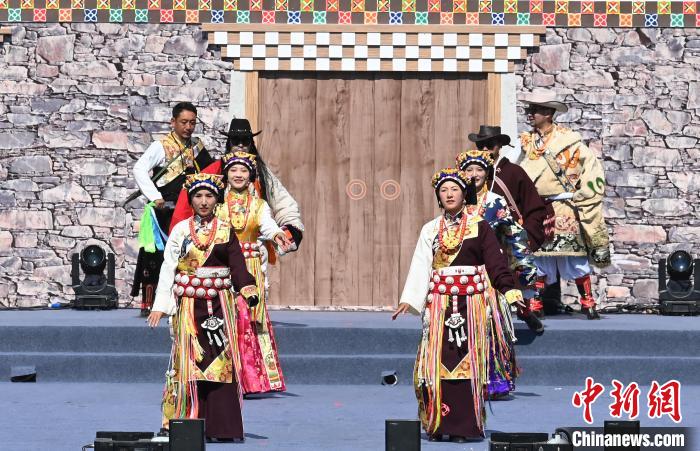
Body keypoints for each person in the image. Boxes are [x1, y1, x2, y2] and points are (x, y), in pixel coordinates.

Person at [393, 168, 525, 442]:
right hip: (440, 306)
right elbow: (421, 266)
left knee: (468, 363)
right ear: (438, 197)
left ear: (465, 194)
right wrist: (410, 298)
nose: (449, 194)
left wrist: (509, 289)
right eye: (444, 190)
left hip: (472, 306)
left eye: (454, 189)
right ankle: (439, 424)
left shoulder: (480, 226)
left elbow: (495, 263)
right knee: (438, 364)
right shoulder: (430, 229)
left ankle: (465, 426)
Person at [147, 173, 258, 442]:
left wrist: (247, 287)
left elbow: (237, 265)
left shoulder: (225, 230)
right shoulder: (181, 230)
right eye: (198, 196)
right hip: (189, 309)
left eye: (209, 196)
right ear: (191, 199)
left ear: (216, 199)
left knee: (221, 363)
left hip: (219, 306)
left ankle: (221, 427)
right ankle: (184, 422)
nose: (204, 201)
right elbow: (168, 267)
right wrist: (160, 305)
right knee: (186, 363)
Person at [519, 91, 611, 320]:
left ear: (549, 114)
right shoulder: (527, 143)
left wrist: (584, 195)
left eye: (535, 110)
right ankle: (536, 303)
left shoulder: (571, 141)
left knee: (574, 256)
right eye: (529, 109)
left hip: (564, 206)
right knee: (538, 255)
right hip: (538, 207)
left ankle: (588, 302)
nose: (530, 114)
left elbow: (592, 171)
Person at [457, 150, 540, 400]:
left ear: (488, 173)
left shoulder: (495, 202)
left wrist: (525, 267)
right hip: (461, 274)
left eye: (479, 170)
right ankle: (463, 378)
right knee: (462, 326)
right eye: (469, 170)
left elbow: (515, 234)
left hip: (491, 273)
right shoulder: (455, 200)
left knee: (492, 326)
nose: (474, 175)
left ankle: (495, 380)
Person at [219, 151, 293, 394]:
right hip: (223, 266)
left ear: (250, 175)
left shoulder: (259, 205)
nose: (238, 175)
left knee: (250, 317)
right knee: (226, 317)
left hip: (250, 267)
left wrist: (277, 234)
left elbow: (268, 225)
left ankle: (253, 379)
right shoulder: (217, 203)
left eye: (243, 171)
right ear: (226, 174)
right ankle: (225, 374)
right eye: (233, 170)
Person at [131, 102, 214, 314]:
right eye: (184, 122)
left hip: (193, 209)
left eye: (192, 122)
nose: (188, 127)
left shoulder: (197, 146)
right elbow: (139, 168)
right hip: (167, 210)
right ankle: (155, 303)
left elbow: (210, 173)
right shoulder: (161, 146)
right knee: (161, 255)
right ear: (173, 122)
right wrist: (155, 196)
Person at [467, 125, 552, 319]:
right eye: (482, 145)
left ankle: (524, 312)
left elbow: (534, 207)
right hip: (478, 238)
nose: (486, 149)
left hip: (507, 239)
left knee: (512, 279)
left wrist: (528, 236)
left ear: (499, 146)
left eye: (490, 145)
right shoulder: (469, 175)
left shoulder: (514, 173)